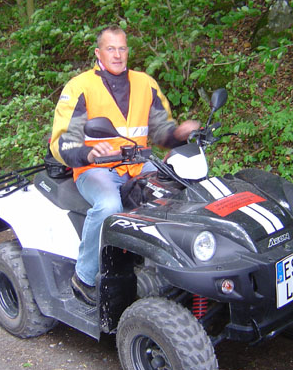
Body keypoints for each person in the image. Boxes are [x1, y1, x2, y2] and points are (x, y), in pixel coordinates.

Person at [49, 26, 199, 305]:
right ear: (98, 52)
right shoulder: (80, 87)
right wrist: (89, 154)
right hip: (95, 169)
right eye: (110, 48)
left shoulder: (145, 83)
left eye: (122, 48)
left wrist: (178, 135)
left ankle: (175, 268)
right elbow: (61, 143)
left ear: (128, 51)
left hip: (139, 164)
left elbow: (161, 129)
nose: (117, 55)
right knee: (108, 206)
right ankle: (83, 277)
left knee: (180, 190)